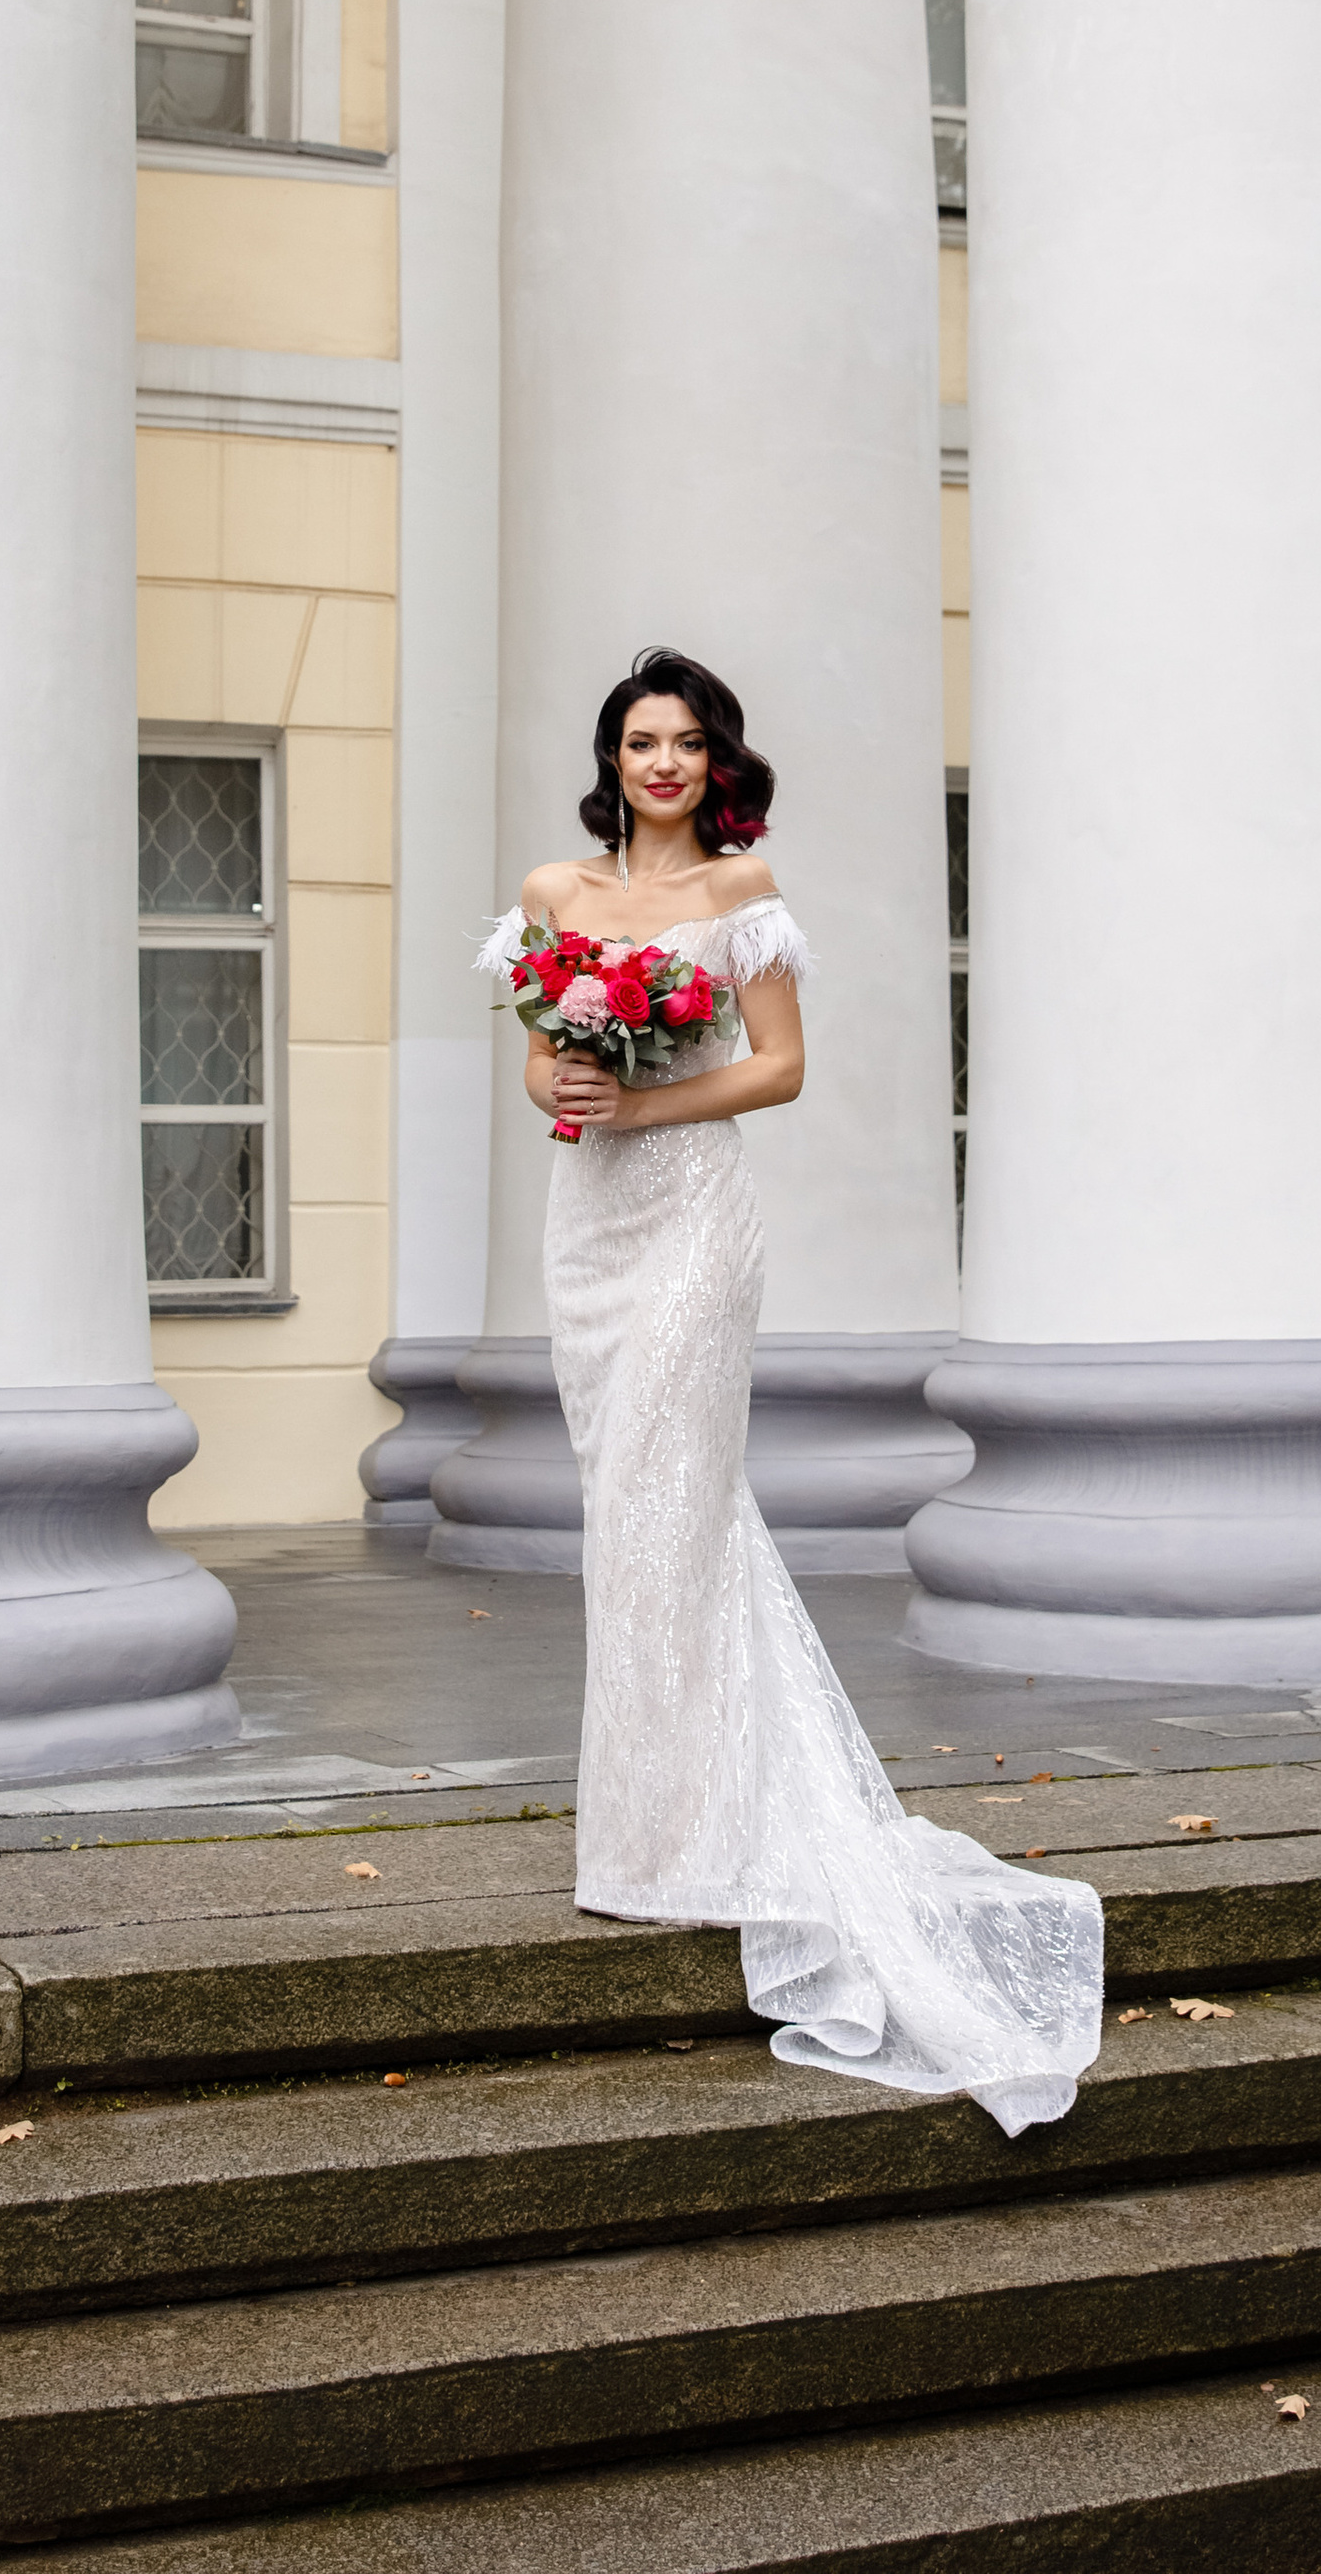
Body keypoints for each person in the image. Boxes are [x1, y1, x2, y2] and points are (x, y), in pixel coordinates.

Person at [480, 646, 1102, 2134]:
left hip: (695, 1218)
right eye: (643, 740)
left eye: (689, 742)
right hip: (592, 1226)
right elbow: (540, 1061)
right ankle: (654, 1834)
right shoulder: (557, 897)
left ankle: (691, 1850)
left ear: (718, 764)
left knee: (669, 1506)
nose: (666, 763)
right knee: (625, 1516)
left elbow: (780, 1068)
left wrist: (643, 1100)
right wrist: (563, 1086)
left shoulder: (740, 900)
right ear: (612, 758)